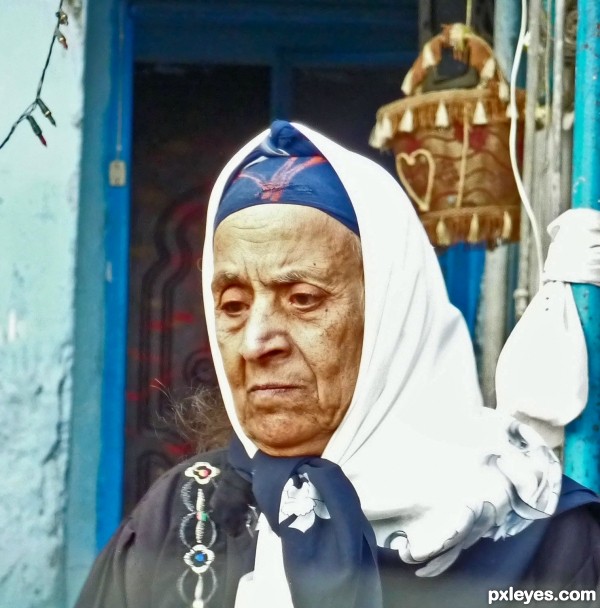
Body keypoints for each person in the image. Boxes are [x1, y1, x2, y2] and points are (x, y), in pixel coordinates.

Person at [76, 121, 600, 608]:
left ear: (392, 317)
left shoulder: (538, 533)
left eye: (303, 298)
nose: (257, 342)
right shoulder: (184, 514)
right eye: (233, 306)